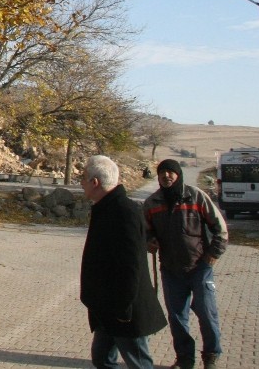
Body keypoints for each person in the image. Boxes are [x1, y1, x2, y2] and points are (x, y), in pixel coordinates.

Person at [80, 155, 167, 369]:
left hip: (124, 309)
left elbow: (131, 265)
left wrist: (123, 308)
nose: (81, 183)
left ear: (95, 182)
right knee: (102, 359)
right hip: (106, 306)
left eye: (83, 178)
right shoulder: (105, 207)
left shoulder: (124, 211)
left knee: (139, 362)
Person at [144, 159, 228, 369]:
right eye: (162, 173)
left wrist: (213, 254)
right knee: (177, 318)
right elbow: (144, 231)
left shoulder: (196, 196)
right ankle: (184, 359)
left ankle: (211, 356)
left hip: (199, 267)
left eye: (170, 172)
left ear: (178, 174)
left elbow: (220, 228)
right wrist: (149, 241)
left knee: (207, 313)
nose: (166, 176)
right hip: (170, 269)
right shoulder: (152, 203)